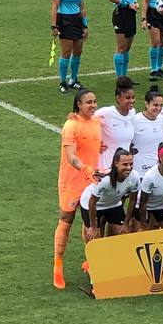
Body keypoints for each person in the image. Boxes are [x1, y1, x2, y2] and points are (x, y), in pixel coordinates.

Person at [53, 87, 103, 289]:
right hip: (72, 180)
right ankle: (57, 266)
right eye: (88, 102)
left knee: (90, 221)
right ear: (79, 104)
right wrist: (84, 167)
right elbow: (71, 156)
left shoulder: (97, 122)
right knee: (66, 219)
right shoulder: (71, 125)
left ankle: (91, 263)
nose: (93, 105)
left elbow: (92, 146)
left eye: (94, 101)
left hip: (90, 180)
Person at [80, 148, 139, 238]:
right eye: (125, 164)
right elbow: (92, 202)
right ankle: (89, 227)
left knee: (122, 234)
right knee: (95, 239)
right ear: (116, 163)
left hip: (113, 204)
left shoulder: (134, 176)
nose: (129, 168)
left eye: (131, 164)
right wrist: (93, 227)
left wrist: (126, 223)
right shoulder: (104, 180)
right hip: (93, 204)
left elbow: (133, 199)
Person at [51, 0, 88, 92]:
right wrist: (54, 26)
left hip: (77, 19)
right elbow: (54, 7)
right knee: (66, 52)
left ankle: (73, 79)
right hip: (65, 20)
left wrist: (85, 25)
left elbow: (82, 6)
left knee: (78, 51)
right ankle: (62, 81)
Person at [108, 0, 142, 78]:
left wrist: (135, 1)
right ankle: (120, 78)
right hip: (121, 13)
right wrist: (127, 4)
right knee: (121, 47)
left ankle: (125, 76)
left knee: (127, 47)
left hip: (130, 13)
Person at [96, 76, 138, 170]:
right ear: (118, 98)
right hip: (107, 166)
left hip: (124, 167)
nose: (131, 101)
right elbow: (86, 122)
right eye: (127, 98)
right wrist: (94, 144)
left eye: (133, 97)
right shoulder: (106, 113)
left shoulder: (132, 112)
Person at [130, 87, 163, 169]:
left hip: (157, 168)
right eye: (155, 105)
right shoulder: (135, 120)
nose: (159, 108)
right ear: (146, 104)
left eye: (161, 105)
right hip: (138, 168)